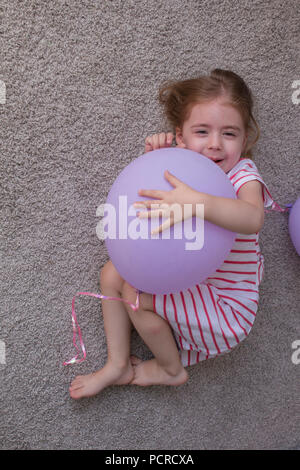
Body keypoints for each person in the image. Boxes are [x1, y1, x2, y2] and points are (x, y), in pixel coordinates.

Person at [69, 69, 273, 399]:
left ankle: (170, 369)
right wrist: (159, 157)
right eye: (202, 132)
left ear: (246, 139)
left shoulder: (242, 174)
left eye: (230, 134)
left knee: (135, 298)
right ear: (181, 136)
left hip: (226, 310)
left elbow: (252, 218)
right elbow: (153, 199)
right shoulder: (182, 163)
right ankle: (117, 363)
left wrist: (198, 202)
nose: (215, 145)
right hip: (196, 282)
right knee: (111, 273)